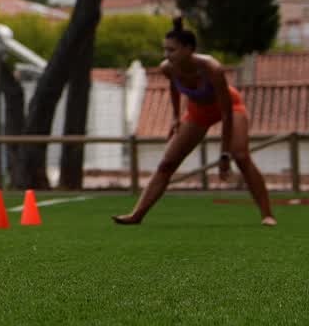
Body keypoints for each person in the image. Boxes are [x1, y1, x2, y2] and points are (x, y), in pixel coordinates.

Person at [113, 17, 276, 227]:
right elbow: (174, 88)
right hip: (198, 111)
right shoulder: (168, 68)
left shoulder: (212, 69)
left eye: (171, 50)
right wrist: (175, 117)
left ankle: (267, 215)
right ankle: (136, 215)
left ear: (189, 49)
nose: (166, 55)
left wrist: (224, 153)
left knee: (241, 156)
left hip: (229, 107)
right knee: (167, 163)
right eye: (165, 50)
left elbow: (226, 114)